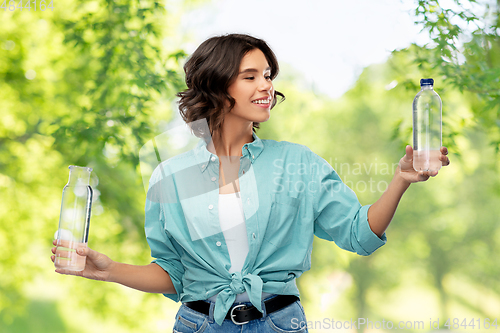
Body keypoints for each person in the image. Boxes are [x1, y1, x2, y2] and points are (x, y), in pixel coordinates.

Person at [51, 33, 450, 332]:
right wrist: (107, 269)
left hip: (280, 324)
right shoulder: (168, 177)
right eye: (250, 76)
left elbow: (357, 234)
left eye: (268, 75)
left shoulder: (297, 162)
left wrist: (401, 179)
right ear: (218, 85)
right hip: (199, 324)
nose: (267, 86)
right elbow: (174, 275)